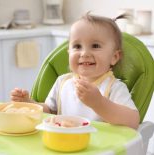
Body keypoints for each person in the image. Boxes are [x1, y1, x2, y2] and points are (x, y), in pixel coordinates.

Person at [11, 13, 140, 129]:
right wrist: (30, 104)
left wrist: (99, 103)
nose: (84, 53)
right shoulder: (63, 82)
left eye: (95, 46)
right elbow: (50, 111)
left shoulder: (114, 88)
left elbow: (133, 121)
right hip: (62, 143)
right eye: (77, 46)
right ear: (69, 53)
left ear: (114, 57)